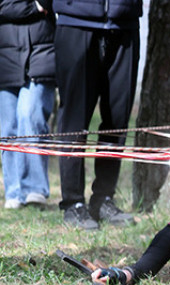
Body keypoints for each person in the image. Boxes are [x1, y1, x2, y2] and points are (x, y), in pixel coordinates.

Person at [53, 0, 142, 229]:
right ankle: (73, 203)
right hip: (76, 21)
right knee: (74, 120)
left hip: (124, 22)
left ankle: (104, 198)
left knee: (117, 120)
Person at [0, 0, 55, 209]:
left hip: (42, 52)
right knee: (8, 127)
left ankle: (34, 189)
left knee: (30, 115)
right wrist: (33, 7)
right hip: (5, 57)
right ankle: (14, 192)